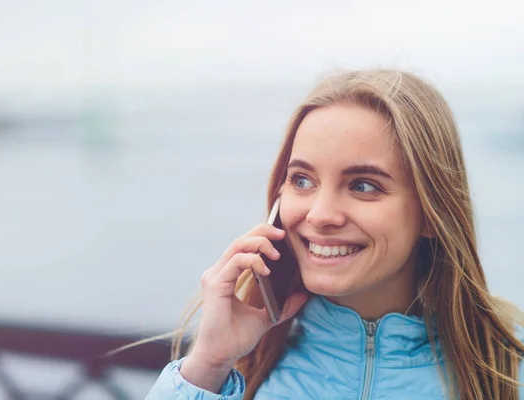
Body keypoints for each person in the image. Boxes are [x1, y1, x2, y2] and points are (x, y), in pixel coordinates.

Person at [145, 69, 524, 399]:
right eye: (302, 180)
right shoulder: (235, 374)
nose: (321, 214)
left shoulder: (507, 375)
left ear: (432, 212)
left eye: (363, 185)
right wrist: (208, 365)